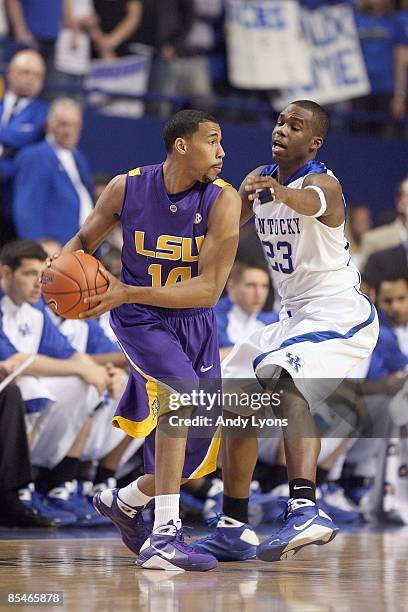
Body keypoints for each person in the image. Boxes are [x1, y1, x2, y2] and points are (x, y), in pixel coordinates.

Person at [192, 100, 379, 563]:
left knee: (284, 384)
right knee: (238, 400)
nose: (282, 130)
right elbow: (226, 229)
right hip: (293, 317)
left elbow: (307, 202)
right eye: (279, 121)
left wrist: (275, 191)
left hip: (338, 313)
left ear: (313, 142)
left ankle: (305, 509)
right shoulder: (260, 178)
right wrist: (234, 200)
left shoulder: (323, 184)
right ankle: (234, 524)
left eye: (295, 126)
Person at [58, 109, 241, 571]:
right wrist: (55, 278)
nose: (222, 152)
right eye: (213, 141)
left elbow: (209, 290)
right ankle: (166, 536)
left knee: (197, 446)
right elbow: (82, 239)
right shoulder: (127, 186)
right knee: (180, 391)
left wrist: (124, 288)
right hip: (139, 318)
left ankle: (123, 501)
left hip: (195, 319)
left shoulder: (223, 200)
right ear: (182, 145)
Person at [13, 98, 94, 244]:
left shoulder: (78, 157)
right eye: (64, 124)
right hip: (54, 249)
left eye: (74, 125)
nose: (69, 131)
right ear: (48, 125)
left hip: (81, 246)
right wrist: (38, 246)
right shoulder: (35, 156)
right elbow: (27, 209)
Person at [0, 49, 47, 246]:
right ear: (10, 73)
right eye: (26, 72)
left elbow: (23, 139)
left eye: (37, 75)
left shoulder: (44, 112)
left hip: (14, 194)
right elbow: (15, 137)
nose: (31, 79)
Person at [215, 260, 277, 361]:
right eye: (251, 285)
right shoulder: (211, 319)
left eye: (264, 286)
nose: (259, 293)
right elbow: (207, 359)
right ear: (231, 287)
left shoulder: (273, 320)